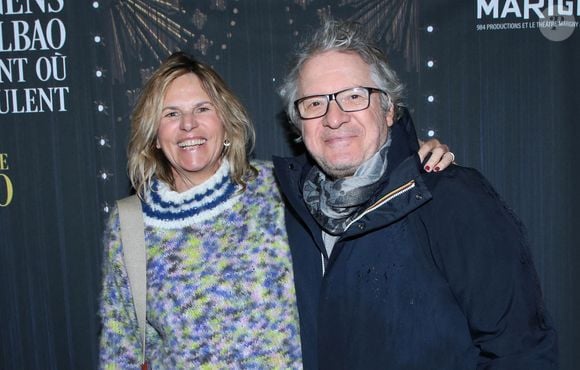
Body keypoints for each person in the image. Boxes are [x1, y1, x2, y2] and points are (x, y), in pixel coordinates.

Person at [97, 52, 453, 368]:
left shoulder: (284, 187)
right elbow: (121, 350)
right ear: (155, 135)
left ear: (225, 123)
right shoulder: (130, 225)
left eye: (202, 109)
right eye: (171, 113)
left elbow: (361, 171)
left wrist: (411, 154)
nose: (188, 125)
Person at [274, 18, 558, 369]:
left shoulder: (452, 196)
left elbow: (521, 351)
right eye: (315, 103)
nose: (334, 117)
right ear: (297, 122)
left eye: (353, 96)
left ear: (389, 109)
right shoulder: (282, 210)